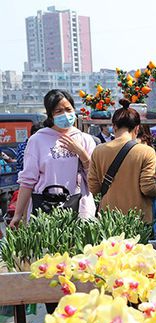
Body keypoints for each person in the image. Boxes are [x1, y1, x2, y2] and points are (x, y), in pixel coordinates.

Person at [11, 89, 96, 228]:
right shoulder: (37, 140)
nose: (65, 114)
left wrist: (81, 153)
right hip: (45, 209)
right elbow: (27, 181)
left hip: (80, 209)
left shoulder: (85, 139)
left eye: (68, 109)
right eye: (58, 111)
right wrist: (18, 214)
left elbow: (94, 179)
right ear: (50, 115)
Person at [88, 99, 156, 223]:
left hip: (109, 220)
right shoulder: (146, 151)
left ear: (114, 126)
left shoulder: (98, 151)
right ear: (137, 128)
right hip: (138, 219)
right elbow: (147, 188)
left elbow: (93, 188)